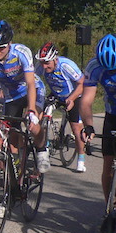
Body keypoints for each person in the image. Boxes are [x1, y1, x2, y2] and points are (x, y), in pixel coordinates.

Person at [0, 20, 50, 174]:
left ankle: (42, 149)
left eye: (0, 48)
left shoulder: (21, 52)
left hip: (32, 90)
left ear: (9, 43)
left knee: (33, 124)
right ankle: (15, 170)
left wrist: (31, 110)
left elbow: (31, 84)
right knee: (12, 134)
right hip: (12, 95)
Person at [80, 34, 116, 213]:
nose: (113, 72)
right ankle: (109, 209)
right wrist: (88, 126)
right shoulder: (94, 66)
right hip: (114, 115)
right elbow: (87, 101)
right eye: (109, 70)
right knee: (108, 163)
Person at [35, 41, 87, 172]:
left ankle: (81, 159)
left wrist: (72, 98)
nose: (44, 66)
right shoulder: (40, 65)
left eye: (47, 63)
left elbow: (82, 84)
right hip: (56, 94)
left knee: (77, 129)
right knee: (40, 116)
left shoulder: (66, 65)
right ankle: (44, 146)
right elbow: (33, 79)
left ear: (55, 59)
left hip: (73, 95)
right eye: (42, 63)